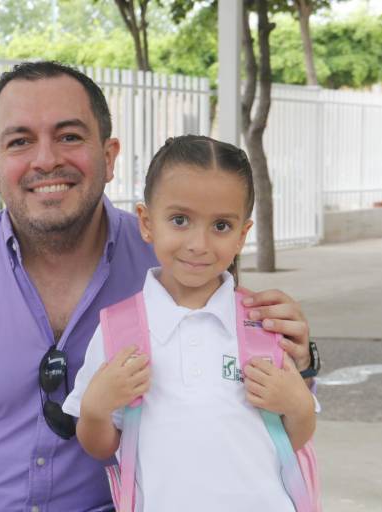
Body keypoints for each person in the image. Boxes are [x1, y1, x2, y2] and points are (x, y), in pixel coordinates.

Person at [0, 62, 316, 512]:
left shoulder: (178, 257)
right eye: (19, 142)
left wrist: (300, 359)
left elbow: (243, 389)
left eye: (69, 136)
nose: (46, 160)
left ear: (109, 155)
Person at [62, 135, 317, 512]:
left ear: (242, 235)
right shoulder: (120, 330)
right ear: (147, 223)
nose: (198, 243)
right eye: (180, 220)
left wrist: (300, 407)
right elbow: (101, 445)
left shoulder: (262, 324)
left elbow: (293, 437)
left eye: (221, 226)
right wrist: (96, 408)